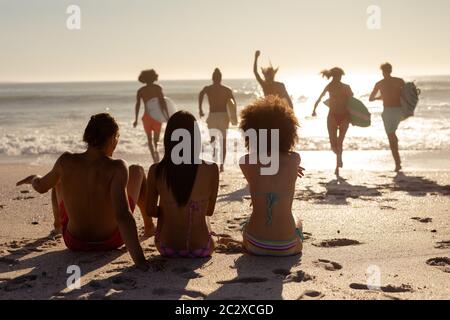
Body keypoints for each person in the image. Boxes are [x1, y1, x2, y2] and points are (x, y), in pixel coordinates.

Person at [16, 113, 152, 270]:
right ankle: (149, 226)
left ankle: (58, 226)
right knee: (137, 170)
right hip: (111, 241)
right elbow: (123, 215)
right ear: (112, 138)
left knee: (58, 178)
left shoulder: (65, 161)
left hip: (74, 241)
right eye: (116, 138)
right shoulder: (118, 166)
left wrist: (34, 178)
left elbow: (41, 187)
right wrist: (141, 261)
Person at [146, 111, 219, 258]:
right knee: (199, 211)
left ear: (169, 138)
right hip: (202, 248)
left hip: (166, 247)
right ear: (195, 138)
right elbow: (209, 212)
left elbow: (151, 211)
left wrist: (170, 206)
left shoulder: (156, 170)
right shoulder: (211, 169)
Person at [239, 96, 304, 257]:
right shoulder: (295, 159)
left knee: (251, 219)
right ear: (289, 132)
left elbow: (263, 178)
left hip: (255, 244)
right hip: (287, 246)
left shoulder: (246, 162)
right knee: (297, 220)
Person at [312, 68, 353, 176]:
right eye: (336, 76)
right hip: (332, 116)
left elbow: (353, 103)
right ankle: (338, 156)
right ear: (333, 76)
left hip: (345, 116)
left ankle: (337, 164)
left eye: (339, 76)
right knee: (333, 144)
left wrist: (354, 117)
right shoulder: (329, 86)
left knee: (340, 142)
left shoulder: (346, 87)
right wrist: (314, 109)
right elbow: (320, 97)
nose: (338, 78)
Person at [369, 63, 406, 172]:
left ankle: (397, 163)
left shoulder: (379, 83)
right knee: (393, 133)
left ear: (382, 71)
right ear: (391, 70)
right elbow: (406, 94)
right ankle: (397, 162)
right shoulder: (399, 81)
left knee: (391, 136)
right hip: (399, 111)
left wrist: (380, 97)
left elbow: (371, 98)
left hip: (388, 111)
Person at [199, 68, 237, 172]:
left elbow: (201, 94)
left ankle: (214, 158)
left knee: (213, 139)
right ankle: (221, 165)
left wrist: (200, 109)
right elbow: (233, 103)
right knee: (223, 141)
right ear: (220, 78)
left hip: (212, 115)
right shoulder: (227, 89)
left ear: (212, 78)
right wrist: (234, 117)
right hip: (224, 116)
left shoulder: (208, 88)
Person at [133, 69, 169, 163]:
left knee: (149, 139)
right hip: (157, 117)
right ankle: (156, 152)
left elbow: (138, 105)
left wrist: (136, 119)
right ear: (154, 77)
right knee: (156, 140)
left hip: (146, 117)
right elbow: (162, 103)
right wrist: (167, 116)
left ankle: (154, 158)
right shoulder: (158, 88)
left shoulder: (141, 90)